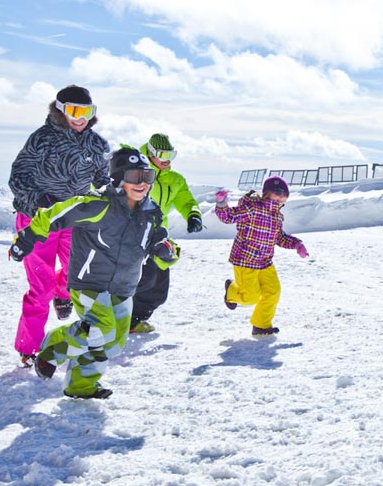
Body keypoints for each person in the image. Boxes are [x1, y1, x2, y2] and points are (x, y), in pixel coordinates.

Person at [8, 148, 175, 399]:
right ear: (119, 178)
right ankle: (55, 345)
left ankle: (81, 385)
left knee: (114, 343)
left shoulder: (151, 213)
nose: (142, 183)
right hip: (89, 282)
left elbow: (163, 240)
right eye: (133, 176)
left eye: (147, 176)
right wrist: (27, 238)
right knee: (101, 329)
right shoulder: (96, 205)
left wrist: (167, 251)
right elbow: (54, 215)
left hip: (124, 287)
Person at [8, 85, 111, 368]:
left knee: (75, 274)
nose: (80, 118)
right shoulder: (42, 140)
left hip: (75, 218)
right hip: (38, 219)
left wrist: (109, 193)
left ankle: (63, 294)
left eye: (87, 112)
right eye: (74, 111)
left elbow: (104, 179)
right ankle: (29, 348)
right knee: (40, 288)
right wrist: (38, 200)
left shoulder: (97, 144)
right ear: (61, 110)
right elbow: (18, 177)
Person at [215, 175, 309, 337]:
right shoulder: (253, 209)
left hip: (265, 261)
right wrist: (222, 203)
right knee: (250, 298)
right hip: (245, 260)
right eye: (277, 192)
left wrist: (296, 244)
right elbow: (228, 216)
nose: (281, 196)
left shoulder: (278, 216)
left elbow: (279, 238)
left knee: (273, 292)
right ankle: (231, 291)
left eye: (284, 193)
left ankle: (261, 325)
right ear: (266, 193)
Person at [128, 133, 203, 334]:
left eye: (171, 155)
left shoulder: (175, 180)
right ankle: (121, 319)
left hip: (159, 237)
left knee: (158, 290)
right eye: (162, 154)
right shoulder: (135, 171)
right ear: (150, 153)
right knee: (141, 280)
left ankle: (135, 321)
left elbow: (186, 201)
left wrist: (193, 215)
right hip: (133, 236)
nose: (166, 159)